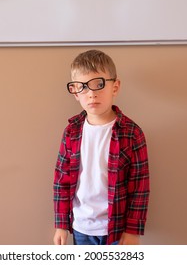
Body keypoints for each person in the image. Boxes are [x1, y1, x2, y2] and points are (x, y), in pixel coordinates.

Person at [53, 50, 150, 245]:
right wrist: (61, 224)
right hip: (81, 227)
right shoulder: (71, 132)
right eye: (82, 87)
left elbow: (140, 187)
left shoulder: (131, 133)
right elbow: (61, 182)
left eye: (99, 84)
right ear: (75, 92)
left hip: (117, 229)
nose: (91, 94)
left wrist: (132, 231)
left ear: (115, 87)